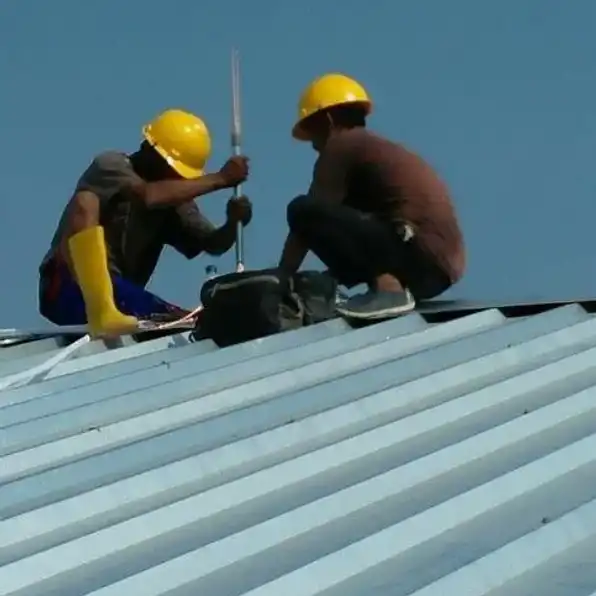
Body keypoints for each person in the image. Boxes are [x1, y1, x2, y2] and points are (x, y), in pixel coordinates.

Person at [38, 108, 252, 337]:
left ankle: (114, 313)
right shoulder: (111, 165)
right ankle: (102, 308)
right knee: (86, 200)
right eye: (172, 170)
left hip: (122, 294)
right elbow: (149, 196)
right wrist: (220, 179)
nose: (176, 178)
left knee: (189, 322)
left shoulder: (174, 200)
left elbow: (212, 243)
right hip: (67, 287)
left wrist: (232, 223)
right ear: (150, 151)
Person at [278, 73, 466, 320]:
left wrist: (279, 281)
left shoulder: (342, 145)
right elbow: (350, 232)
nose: (312, 144)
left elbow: (308, 223)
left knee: (302, 210)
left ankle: (389, 290)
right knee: (343, 221)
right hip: (439, 267)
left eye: (311, 130)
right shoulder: (369, 149)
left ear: (328, 119)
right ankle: (378, 286)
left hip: (417, 251)